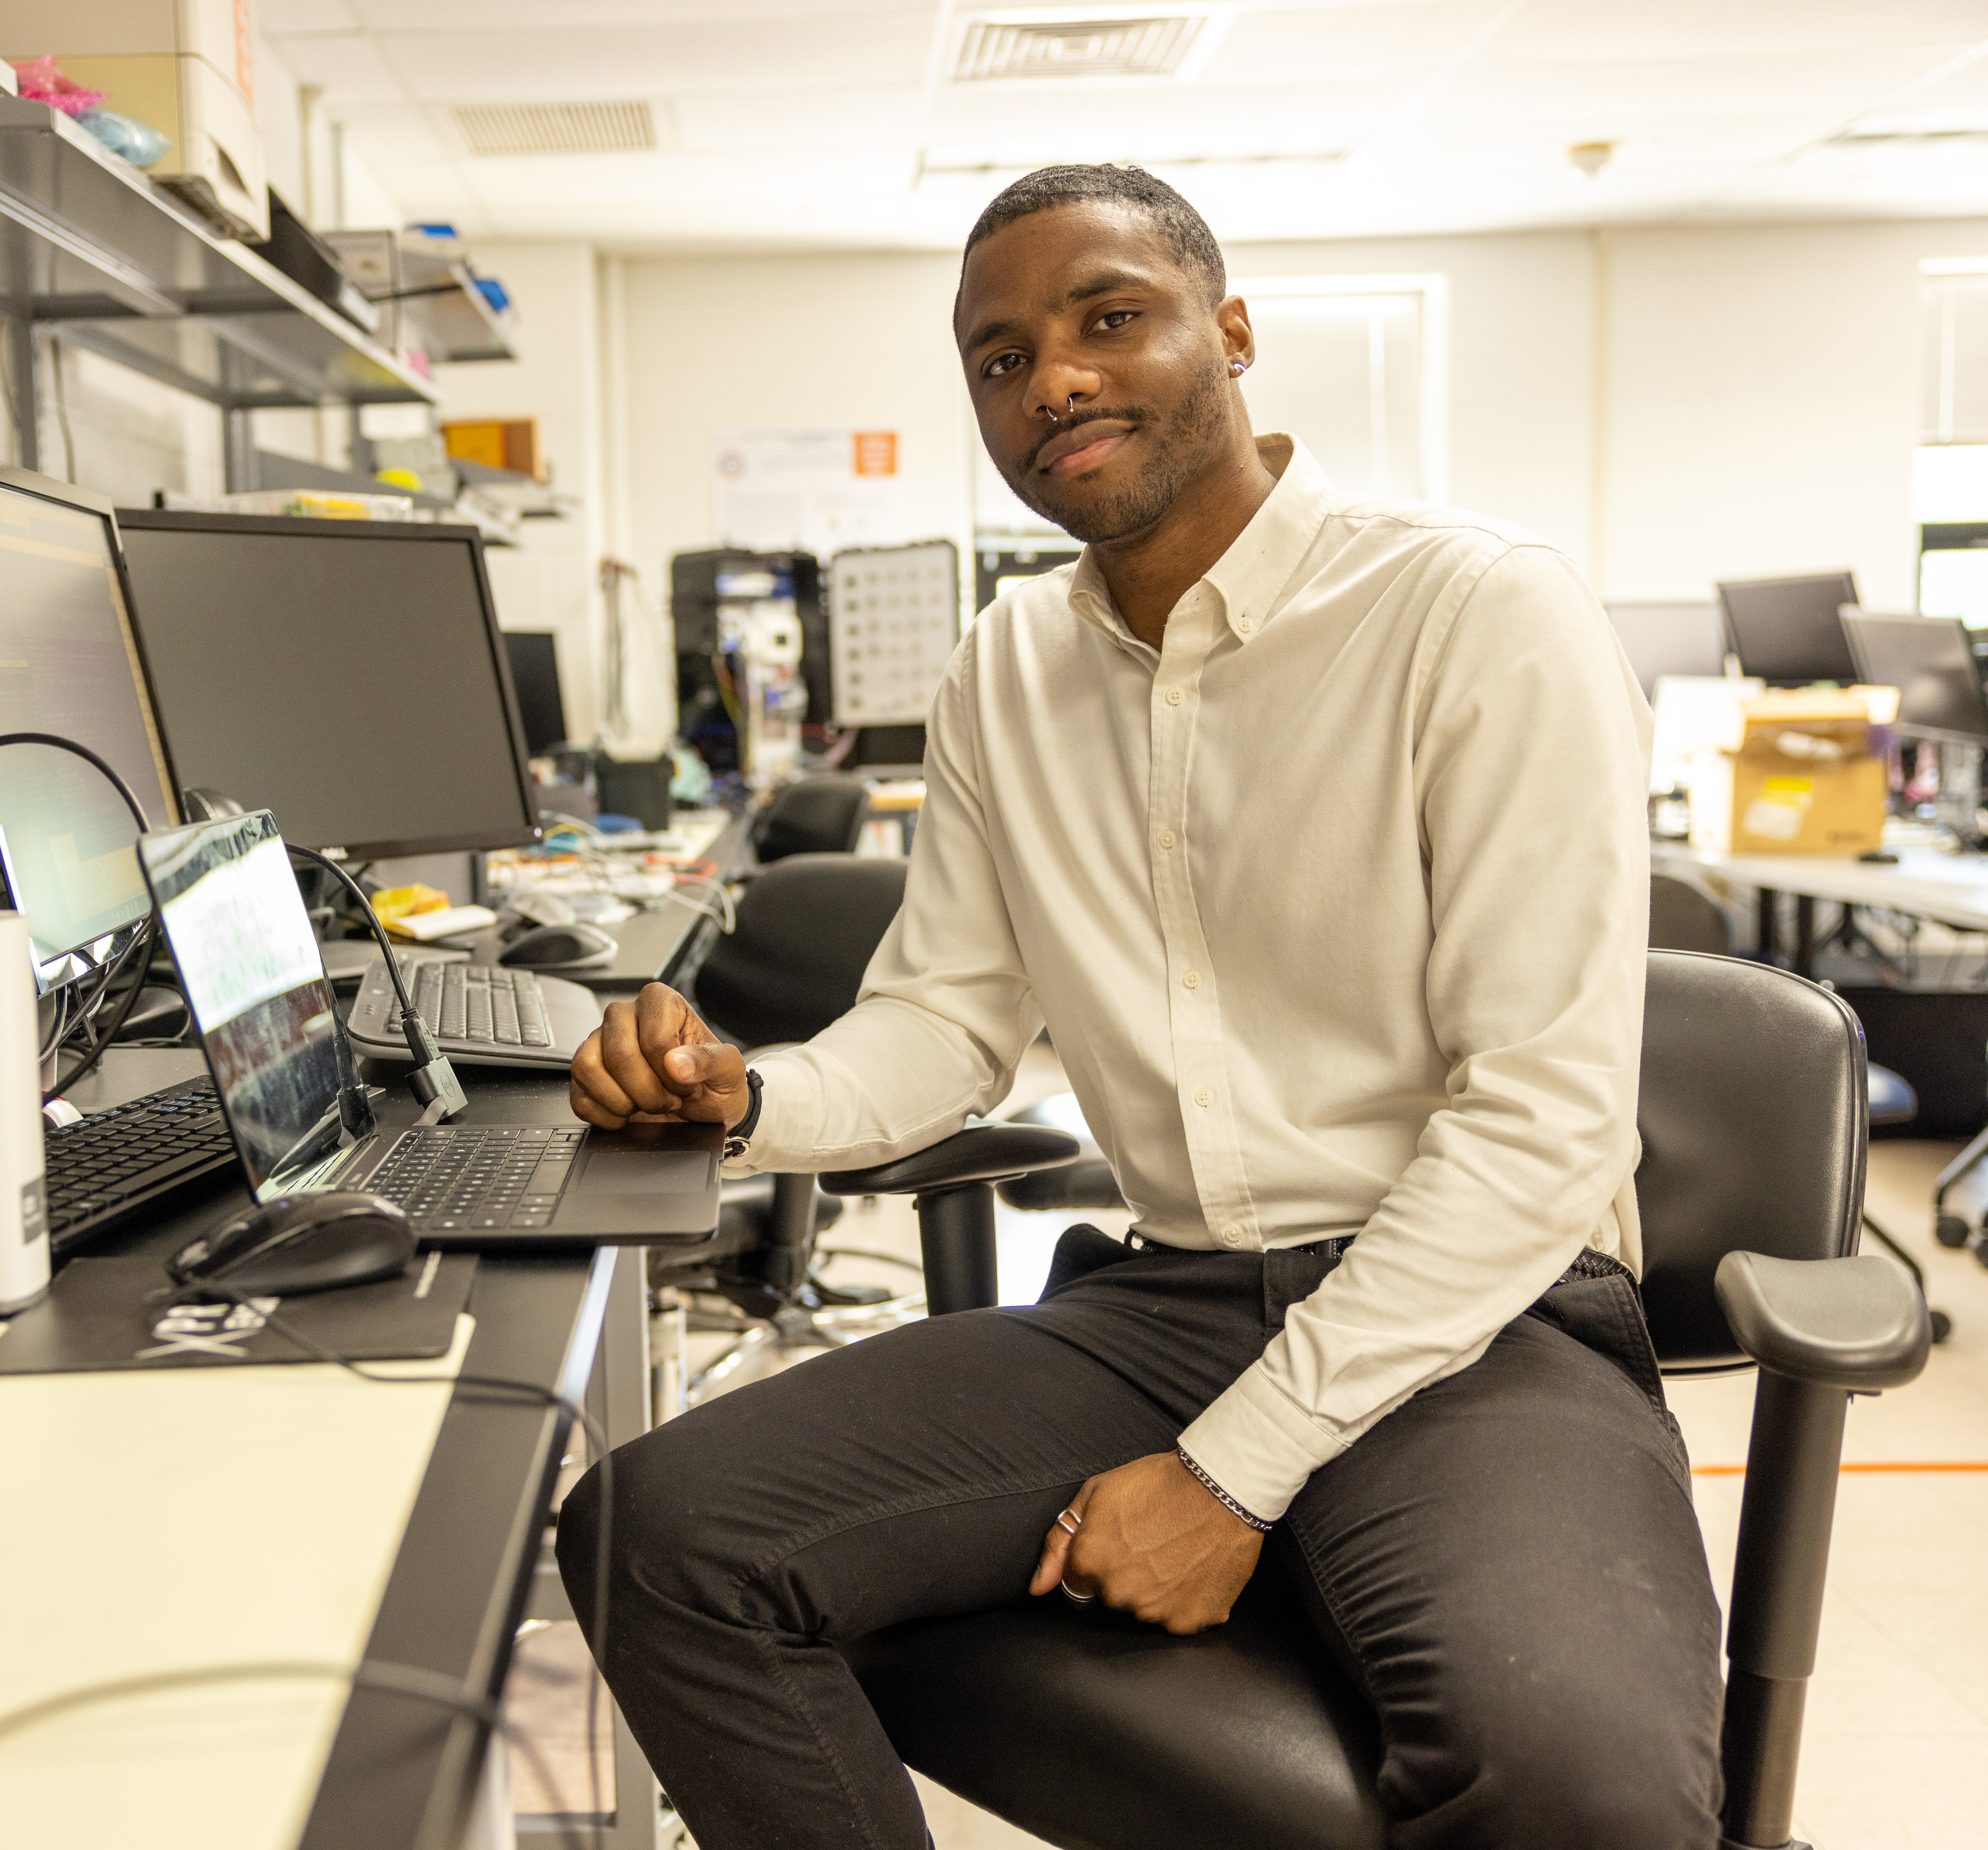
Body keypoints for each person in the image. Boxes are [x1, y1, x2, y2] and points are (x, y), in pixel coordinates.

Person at [557, 163, 1720, 1849]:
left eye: (1108, 319)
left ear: (1229, 332)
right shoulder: (1004, 666)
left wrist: (1230, 1472)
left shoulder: (1474, 612)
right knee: (652, 1537)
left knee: (1577, 1792)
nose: (1054, 382)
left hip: (1481, 1320)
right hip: (1171, 1304)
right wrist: (739, 1099)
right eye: (1000, 358)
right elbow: (945, 1026)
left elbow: (1536, 1129)